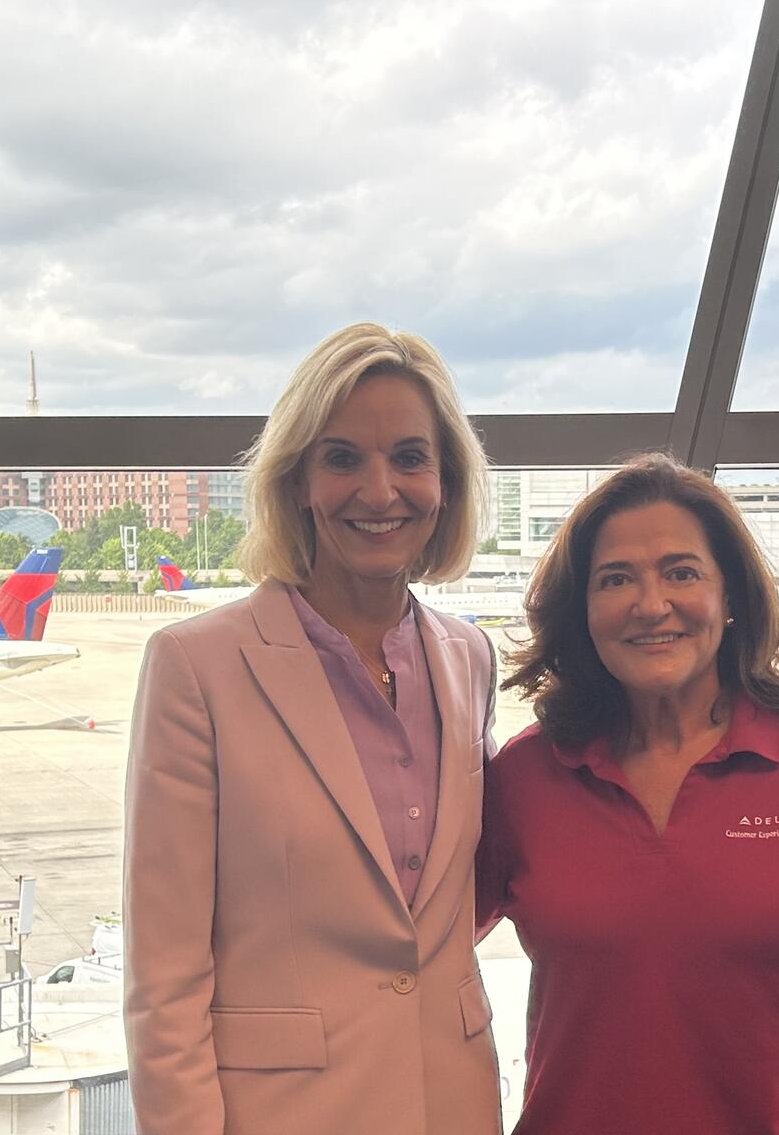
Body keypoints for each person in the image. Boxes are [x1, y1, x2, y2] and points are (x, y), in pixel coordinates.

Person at [478, 453, 779, 1135]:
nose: (651, 605)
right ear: (582, 610)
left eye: (681, 572)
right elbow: (417, 966)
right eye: (616, 580)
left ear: (729, 596)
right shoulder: (525, 780)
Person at [124, 323, 502, 1135]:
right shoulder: (199, 666)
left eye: (409, 457)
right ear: (297, 482)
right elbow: (166, 973)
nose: (379, 491)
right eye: (341, 458)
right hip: (282, 1113)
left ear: (446, 484)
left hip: (454, 1099)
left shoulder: (469, 658)